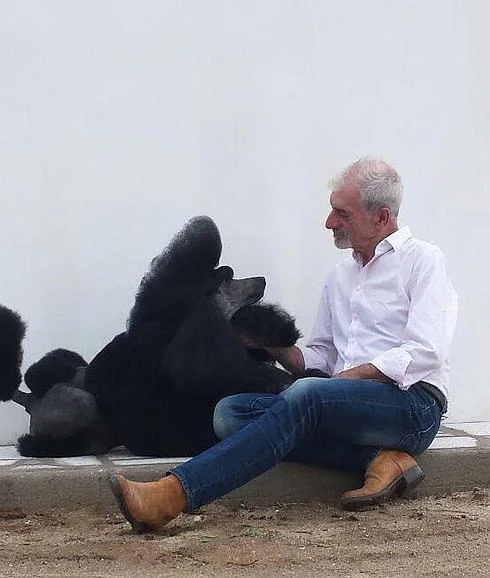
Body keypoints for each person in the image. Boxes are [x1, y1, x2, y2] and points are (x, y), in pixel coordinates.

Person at [109, 157, 458, 533]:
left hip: (411, 407)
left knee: (307, 395)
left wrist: (342, 382)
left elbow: (425, 351)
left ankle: (172, 495)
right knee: (230, 414)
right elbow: (320, 357)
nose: (330, 223)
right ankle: (381, 459)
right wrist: (269, 344)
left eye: (342, 213)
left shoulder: (424, 261)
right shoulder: (339, 277)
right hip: (341, 403)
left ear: (382, 217)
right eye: (331, 211)